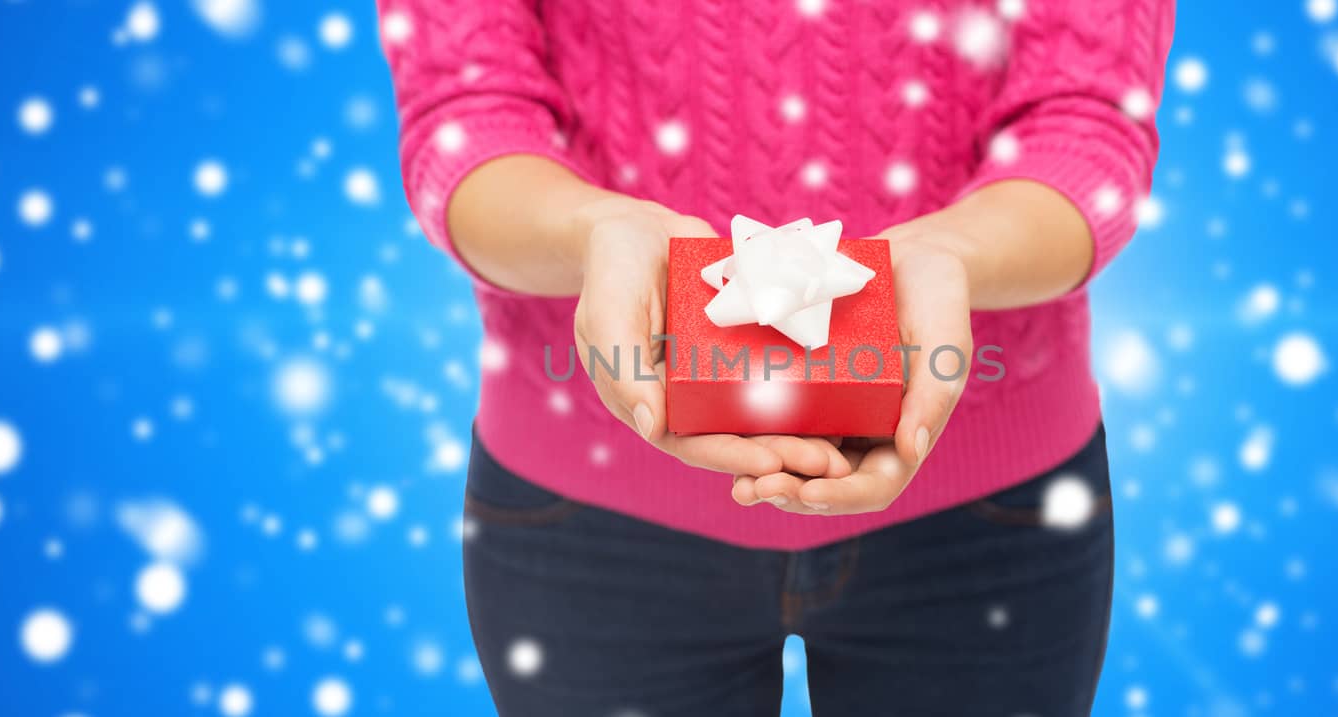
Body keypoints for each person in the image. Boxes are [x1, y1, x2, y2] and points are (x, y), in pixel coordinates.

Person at [379, 1, 1173, 714]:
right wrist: (591, 232)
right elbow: (468, 112)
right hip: (582, 512)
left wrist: (955, 254)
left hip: (992, 515)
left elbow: (1089, 120)